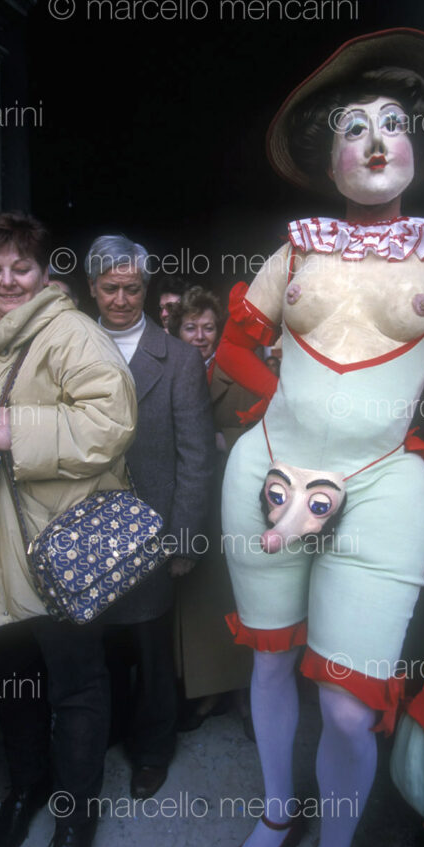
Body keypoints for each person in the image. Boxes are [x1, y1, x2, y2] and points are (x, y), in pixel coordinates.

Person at [215, 29, 424, 847]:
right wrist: (278, 398)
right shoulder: (297, 244)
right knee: (269, 665)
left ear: (419, 144)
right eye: (353, 128)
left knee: (344, 703)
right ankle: (276, 813)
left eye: (393, 124)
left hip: (382, 489)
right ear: (326, 155)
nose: (375, 141)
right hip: (265, 472)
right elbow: (233, 346)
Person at [0, 213, 137, 847]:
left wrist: (22, 431)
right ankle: (26, 790)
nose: (7, 280)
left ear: (45, 272)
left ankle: (74, 816)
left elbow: (113, 418)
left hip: (58, 550)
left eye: (21, 266)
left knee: (76, 685)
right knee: (16, 683)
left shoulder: (69, 331)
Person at [85, 235, 214, 800]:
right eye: (109, 288)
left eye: (131, 287)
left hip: (152, 530)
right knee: (99, 640)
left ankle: (153, 748)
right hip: (86, 528)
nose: (120, 298)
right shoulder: (71, 349)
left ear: (145, 287)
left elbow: (196, 456)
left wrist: (184, 540)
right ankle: (111, 728)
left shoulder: (179, 358)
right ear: (92, 288)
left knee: (152, 647)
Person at [169, 286, 256, 734]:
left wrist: (225, 439)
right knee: (199, 602)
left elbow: (270, 435)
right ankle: (207, 691)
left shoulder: (239, 375)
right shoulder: (167, 374)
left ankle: (243, 693)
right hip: (188, 503)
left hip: (233, 504)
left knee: (235, 599)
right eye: (190, 327)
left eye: (208, 327)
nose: (200, 336)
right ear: (175, 330)